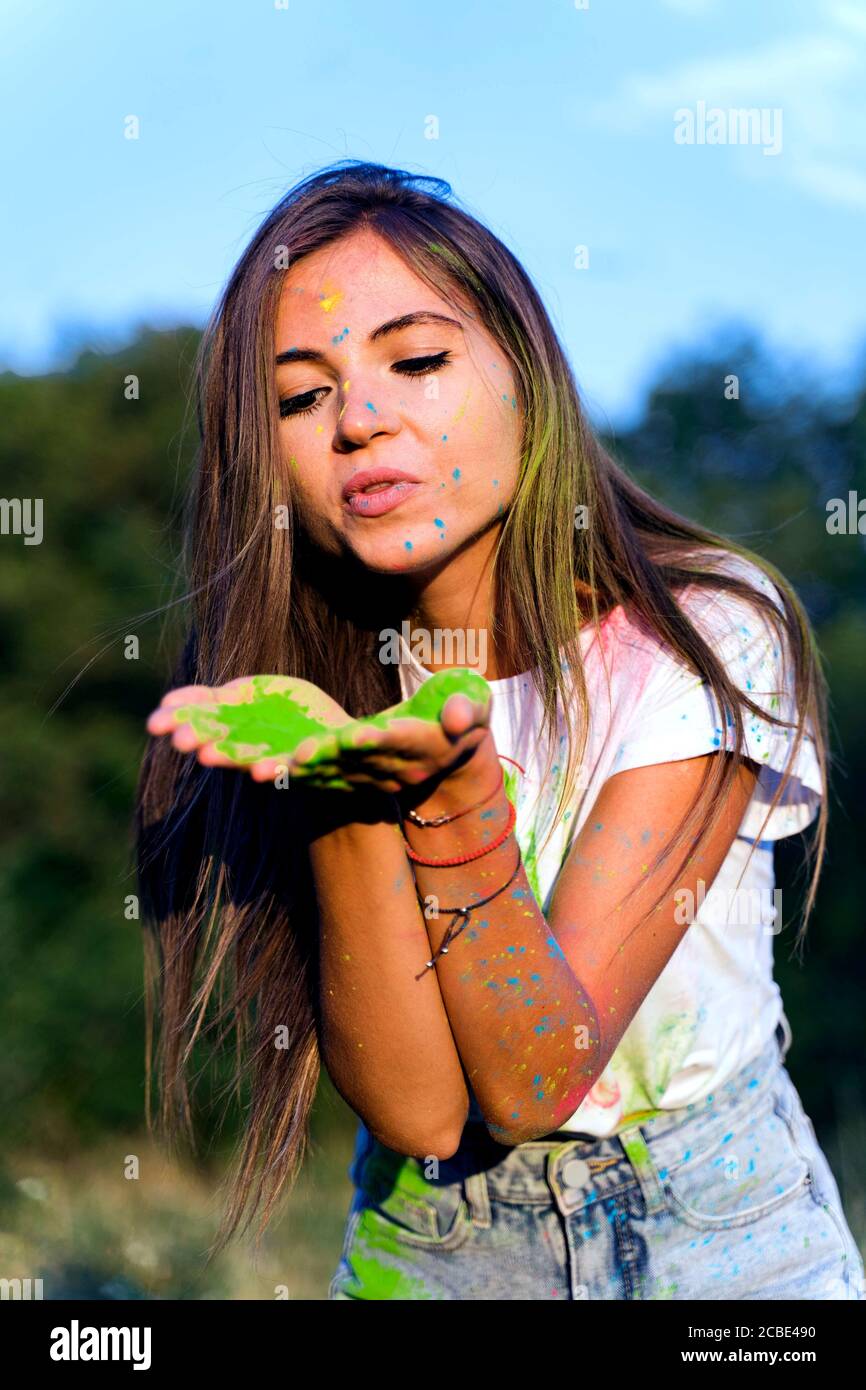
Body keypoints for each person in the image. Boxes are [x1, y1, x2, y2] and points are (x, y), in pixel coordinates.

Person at [139, 160, 863, 1300]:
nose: (360, 419)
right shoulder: (311, 692)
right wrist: (347, 787)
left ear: (525, 376)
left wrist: (455, 801)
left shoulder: (703, 635)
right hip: (435, 1250)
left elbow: (537, 1079)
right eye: (299, 397)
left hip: (727, 1243)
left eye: (415, 360)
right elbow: (426, 1111)